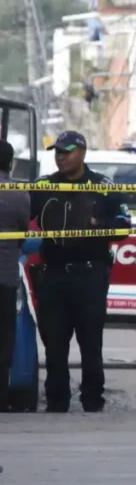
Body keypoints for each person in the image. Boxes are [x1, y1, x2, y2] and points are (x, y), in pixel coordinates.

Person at [30, 130, 132, 413]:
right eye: (57, 152)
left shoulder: (103, 186)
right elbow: (17, 214)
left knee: (90, 343)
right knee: (54, 344)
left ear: (82, 153)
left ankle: (92, 400)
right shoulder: (44, 186)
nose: (61, 157)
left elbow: (124, 224)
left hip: (90, 274)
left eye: (66, 151)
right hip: (53, 275)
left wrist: (95, 223)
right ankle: (57, 399)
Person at [0, 140, 29, 412]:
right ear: (10, 163)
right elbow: (23, 230)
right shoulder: (17, 194)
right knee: (3, 340)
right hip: (5, 277)